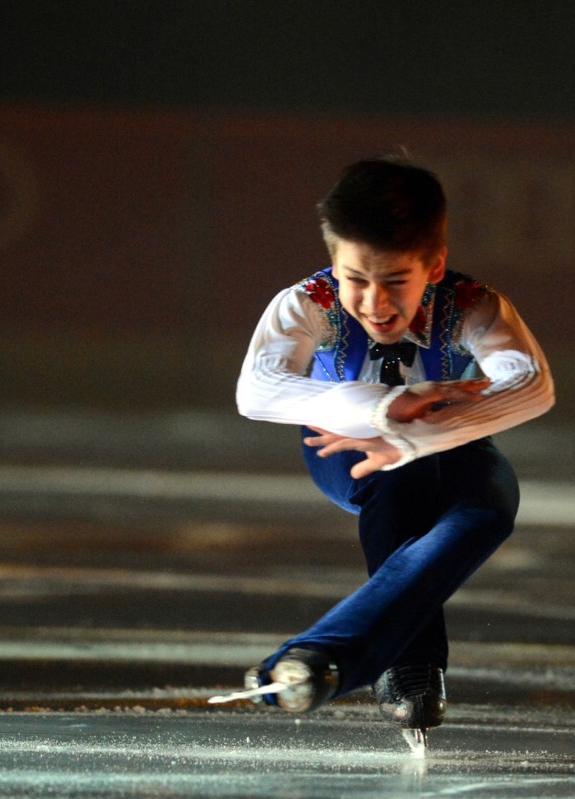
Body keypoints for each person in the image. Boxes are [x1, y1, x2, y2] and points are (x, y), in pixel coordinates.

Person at [234, 154, 554, 747]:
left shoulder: (471, 303)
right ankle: (406, 666)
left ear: (433, 265)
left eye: (395, 281)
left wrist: (414, 436)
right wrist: (383, 412)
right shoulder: (309, 303)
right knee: (399, 484)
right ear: (335, 261)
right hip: (340, 445)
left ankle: (318, 661)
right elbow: (256, 389)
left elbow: (533, 386)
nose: (375, 302)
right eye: (356, 278)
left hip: (450, 442)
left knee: (490, 506)